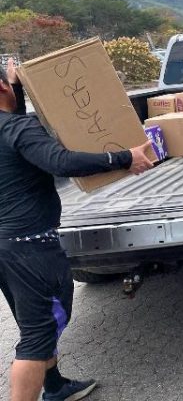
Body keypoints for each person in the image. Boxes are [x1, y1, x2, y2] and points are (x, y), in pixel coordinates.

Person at [0, 58, 155, 401]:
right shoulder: (19, 130)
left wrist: (21, 88)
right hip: (31, 246)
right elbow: (61, 161)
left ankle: (54, 387)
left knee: (34, 322)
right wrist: (123, 158)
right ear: (2, 87)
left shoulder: (12, 129)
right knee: (41, 330)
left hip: (7, 249)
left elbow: (16, 125)